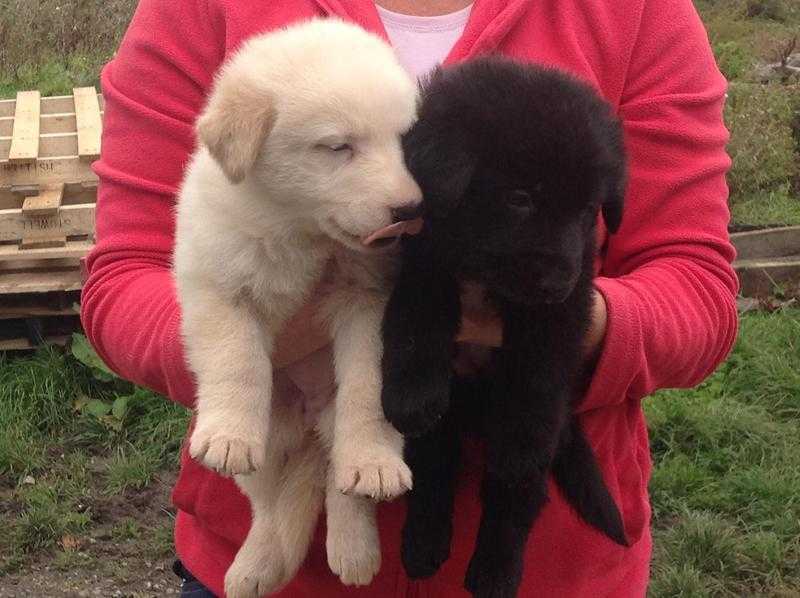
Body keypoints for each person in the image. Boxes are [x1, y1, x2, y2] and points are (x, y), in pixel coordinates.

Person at [80, 0, 739, 596]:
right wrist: (292, 321)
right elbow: (121, 284)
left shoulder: (638, 12)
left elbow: (698, 292)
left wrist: (529, 321)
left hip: (546, 569)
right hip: (283, 568)